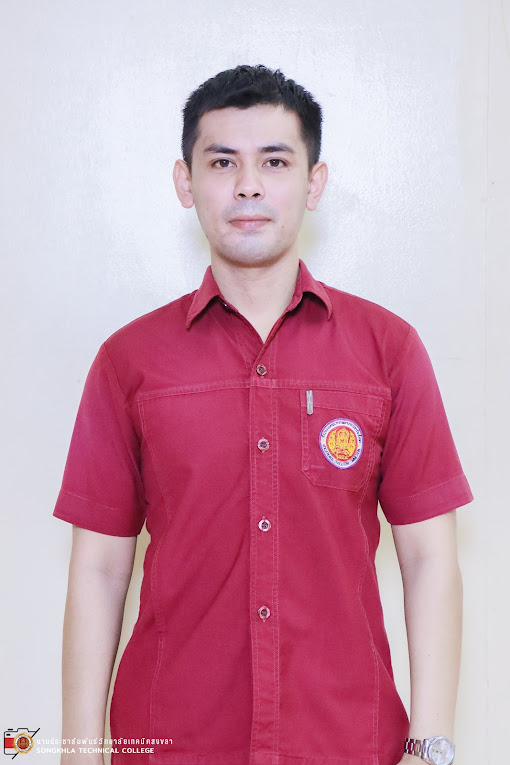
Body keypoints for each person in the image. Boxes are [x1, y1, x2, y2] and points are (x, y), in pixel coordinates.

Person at [54, 64, 473, 765]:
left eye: (274, 161)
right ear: (186, 182)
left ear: (314, 182)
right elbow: (98, 569)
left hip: (345, 742)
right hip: (170, 744)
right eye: (222, 162)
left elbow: (430, 557)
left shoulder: (387, 350)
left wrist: (431, 748)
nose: (248, 185)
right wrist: (77, 752)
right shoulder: (129, 361)